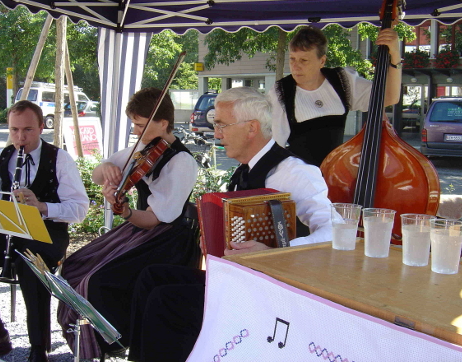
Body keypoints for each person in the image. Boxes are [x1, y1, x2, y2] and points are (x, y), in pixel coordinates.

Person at [127, 86, 333, 362]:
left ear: (251, 128)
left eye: (222, 125)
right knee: (151, 277)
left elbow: (335, 232)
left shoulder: (294, 172)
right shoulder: (244, 170)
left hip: (273, 295)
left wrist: (274, 253)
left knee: (166, 302)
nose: (217, 133)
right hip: (241, 283)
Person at [57, 88, 200, 360]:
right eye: (133, 123)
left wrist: (124, 212)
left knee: (96, 281)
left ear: (163, 123)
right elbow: (100, 175)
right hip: (140, 229)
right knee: (74, 266)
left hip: (167, 238)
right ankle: (88, 345)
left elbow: (152, 219)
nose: (134, 131)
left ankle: (112, 342)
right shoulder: (143, 149)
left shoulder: (181, 162)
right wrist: (108, 168)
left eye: (140, 124)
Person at [0, 100, 90, 362]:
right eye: (14, 130)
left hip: (46, 232)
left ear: (40, 127)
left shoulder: (59, 159)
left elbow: (80, 209)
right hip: (6, 230)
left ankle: (39, 348)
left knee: (30, 262)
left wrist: (42, 206)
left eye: (28, 130)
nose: (20, 137)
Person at [267, 26, 402, 166]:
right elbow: (275, 146)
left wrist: (395, 53)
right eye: (292, 59)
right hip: (302, 180)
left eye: (304, 60)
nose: (295, 66)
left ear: (322, 61)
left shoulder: (342, 81)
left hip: (338, 177)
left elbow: (389, 97)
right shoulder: (281, 92)